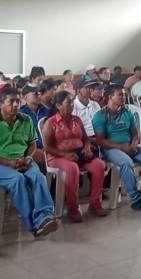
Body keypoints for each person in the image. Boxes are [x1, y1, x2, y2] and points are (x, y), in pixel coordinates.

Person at [0, 88, 59, 238]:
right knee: (18, 180)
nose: (15, 105)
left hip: (24, 160)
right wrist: (7, 162)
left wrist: (28, 158)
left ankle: (45, 217)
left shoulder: (25, 119)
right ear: (1, 103)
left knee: (38, 177)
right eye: (11, 101)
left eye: (17, 101)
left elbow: (32, 144)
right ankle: (34, 225)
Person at [43, 90, 108, 222]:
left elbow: (86, 139)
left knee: (99, 165)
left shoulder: (76, 120)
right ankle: (73, 207)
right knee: (72, 168)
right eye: (68, 102)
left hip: (78, 154)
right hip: (57, 157)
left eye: (72, 102)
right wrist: (65, 155)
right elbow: (47, 147)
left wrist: (87, 148)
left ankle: (95, 202)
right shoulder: (50, 123)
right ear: (58, 105)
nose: (72, 105)